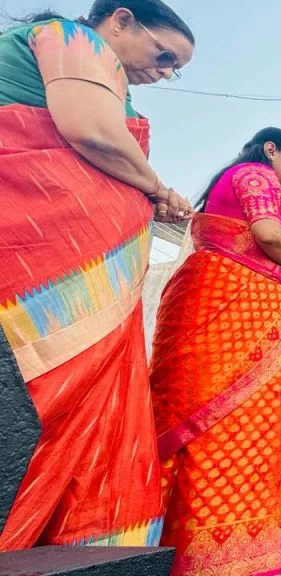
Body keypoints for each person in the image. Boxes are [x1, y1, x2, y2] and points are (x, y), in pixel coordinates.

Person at [0, 0, 193, 550]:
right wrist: (157, 188)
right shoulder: (73, 39)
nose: (164, 72)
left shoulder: (104, 69)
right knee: (37, 402)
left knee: (71, 414)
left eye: (174, 67)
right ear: (122, 19)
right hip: (39, 256)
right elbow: (92, 132)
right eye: (164, 55)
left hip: (78, 272)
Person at [149, 128, 281, 576]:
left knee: (219, 423)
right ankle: (214, 554)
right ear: (271, 149)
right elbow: (267, 235)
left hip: (228, 301)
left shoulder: (245, 182)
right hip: (235, 305)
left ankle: (172, 541)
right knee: (230, 423)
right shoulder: (255, 174)